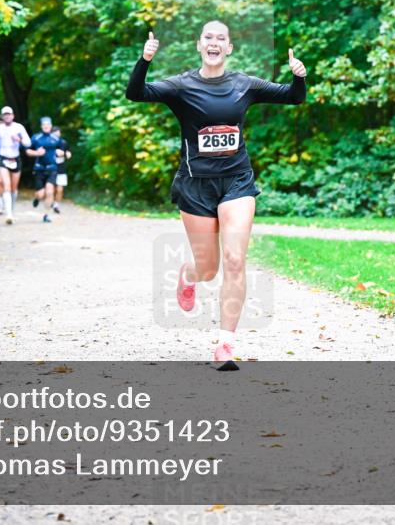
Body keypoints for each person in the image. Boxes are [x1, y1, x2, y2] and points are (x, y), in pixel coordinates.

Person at [126, 23, 307, 370]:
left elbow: (294, 97)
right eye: (208, 38)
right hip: (195, 185)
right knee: (208, 269)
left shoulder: (244, 84)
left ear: (229, 48)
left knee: (235, 259)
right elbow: (136, 93)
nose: (214, 43)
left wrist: (299, 77)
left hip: (237, 181)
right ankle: (189, 275)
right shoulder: (182, 85)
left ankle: (225, 344)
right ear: (199, 45)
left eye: (220, 38)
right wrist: (144, 60)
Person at [0, 106, 31, 224]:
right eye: (5, 114)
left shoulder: (19, 127)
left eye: (9, 114)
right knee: (6, 185)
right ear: (2, 116)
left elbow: (28, 143)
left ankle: (12, 211)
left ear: (13, 116)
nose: (7, 116)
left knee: (14, 188)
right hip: (3, 158)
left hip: (15, 159)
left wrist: (19, 140)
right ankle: (8, 214)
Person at [26, 116, 61, 223]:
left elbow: (64, 150)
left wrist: (62, 153)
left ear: (51, 126)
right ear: (41, 126)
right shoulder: (36, 138)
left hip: (52, 168)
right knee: (41, 194)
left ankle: (46, 215)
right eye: (44, 125)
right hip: (39, 169)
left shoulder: (56, 138)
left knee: (50, 192)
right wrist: (37, 153)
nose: (46, 126)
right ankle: (37, 198)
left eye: (48, 125)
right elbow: (27, 151)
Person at [51, 126, 72, 213]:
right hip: (50, 168)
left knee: (60, 189)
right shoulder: (48, 142)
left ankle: (56, 205)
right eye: (54, 133)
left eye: (58, 133)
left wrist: (66, 154)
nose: (57, 134)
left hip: (61, 168)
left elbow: (69, 154)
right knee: (51, 188)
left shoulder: (63, 143)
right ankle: (51, 201)